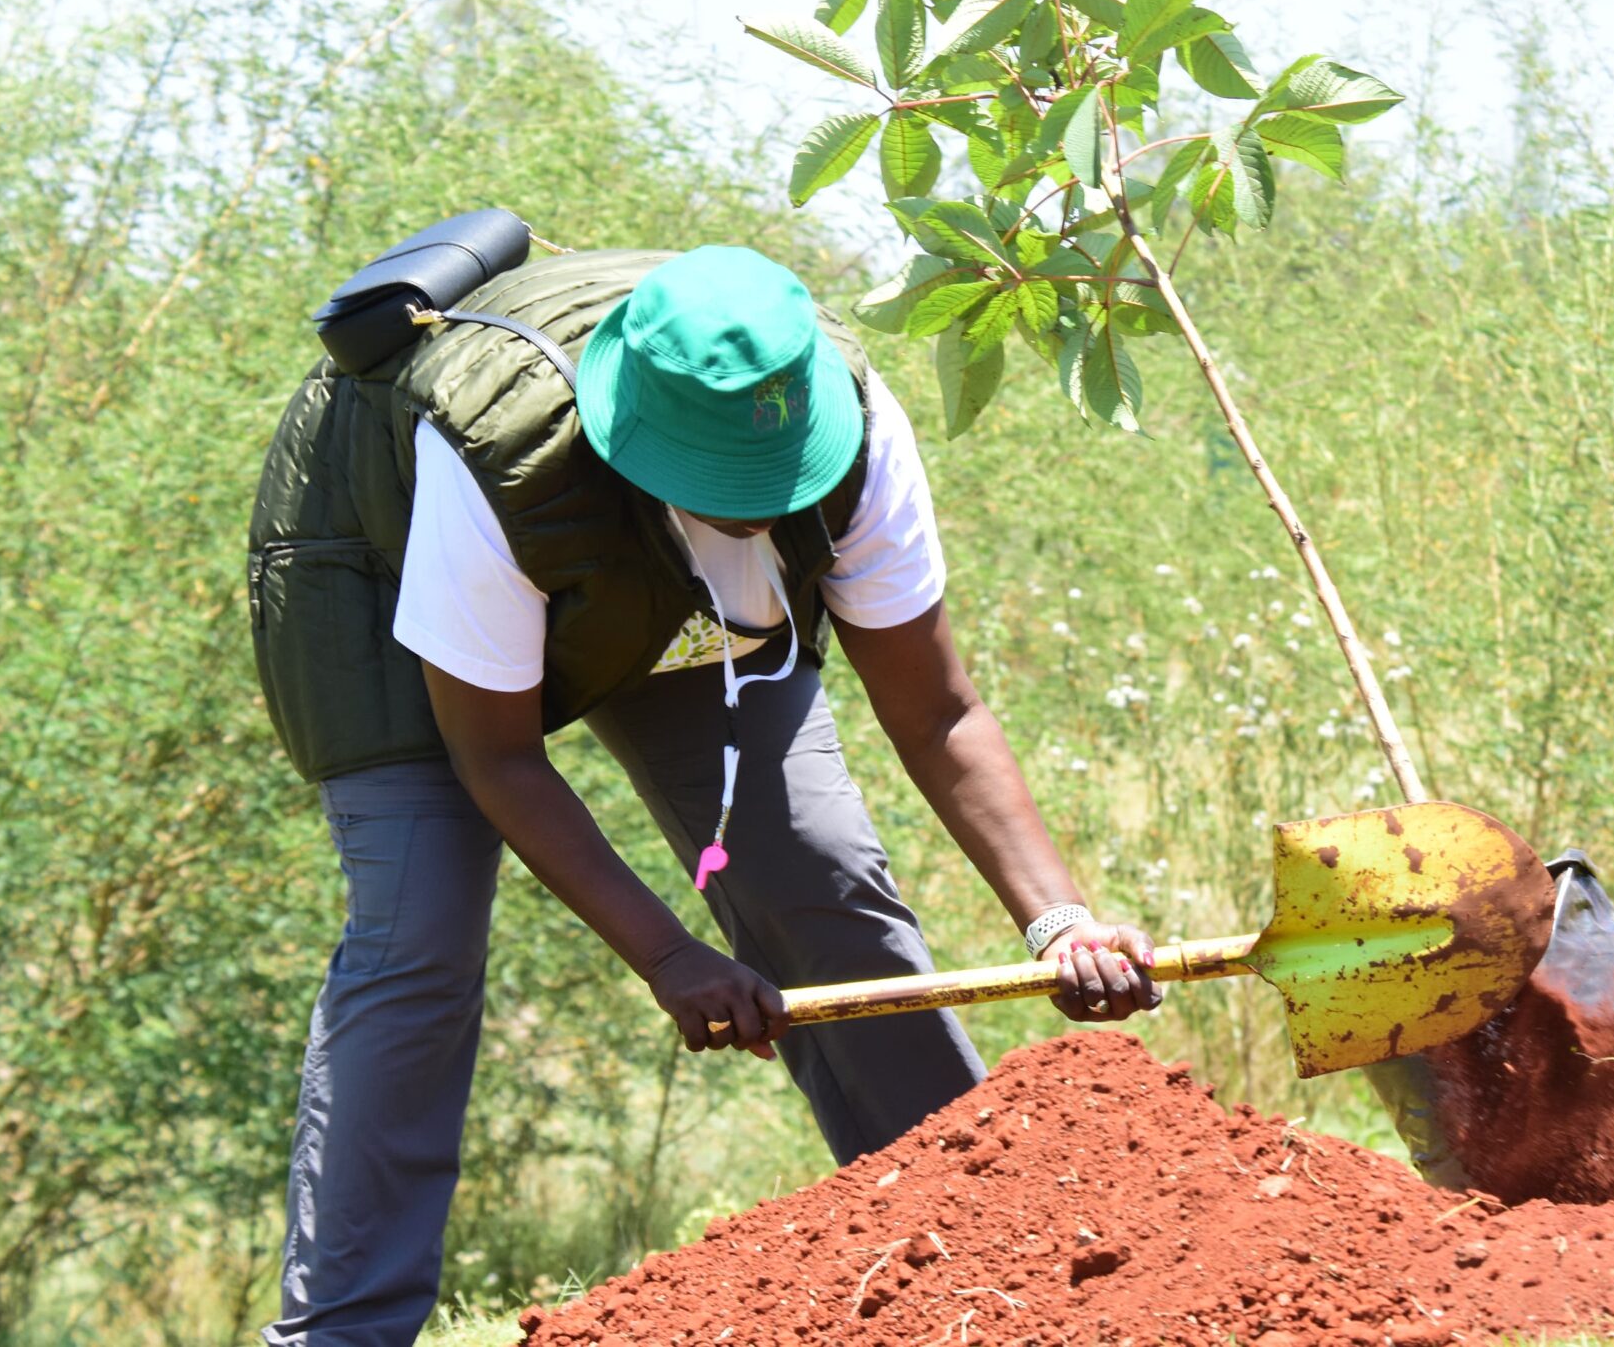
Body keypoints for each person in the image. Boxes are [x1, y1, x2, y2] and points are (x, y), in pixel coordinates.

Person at [247, 242, 1161, 1345]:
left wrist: (1054, 917)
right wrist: (669, 956)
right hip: (377, 550)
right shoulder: (498, 456)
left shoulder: (854, 429)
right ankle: (343, 1331)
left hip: (633, 583)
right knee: (421, 934)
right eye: (726, 493)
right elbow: (499, 759)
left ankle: (975, 1265)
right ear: (640, 438)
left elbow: (940, 713)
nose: (758, 511)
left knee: (812, 865)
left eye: (776, 485)